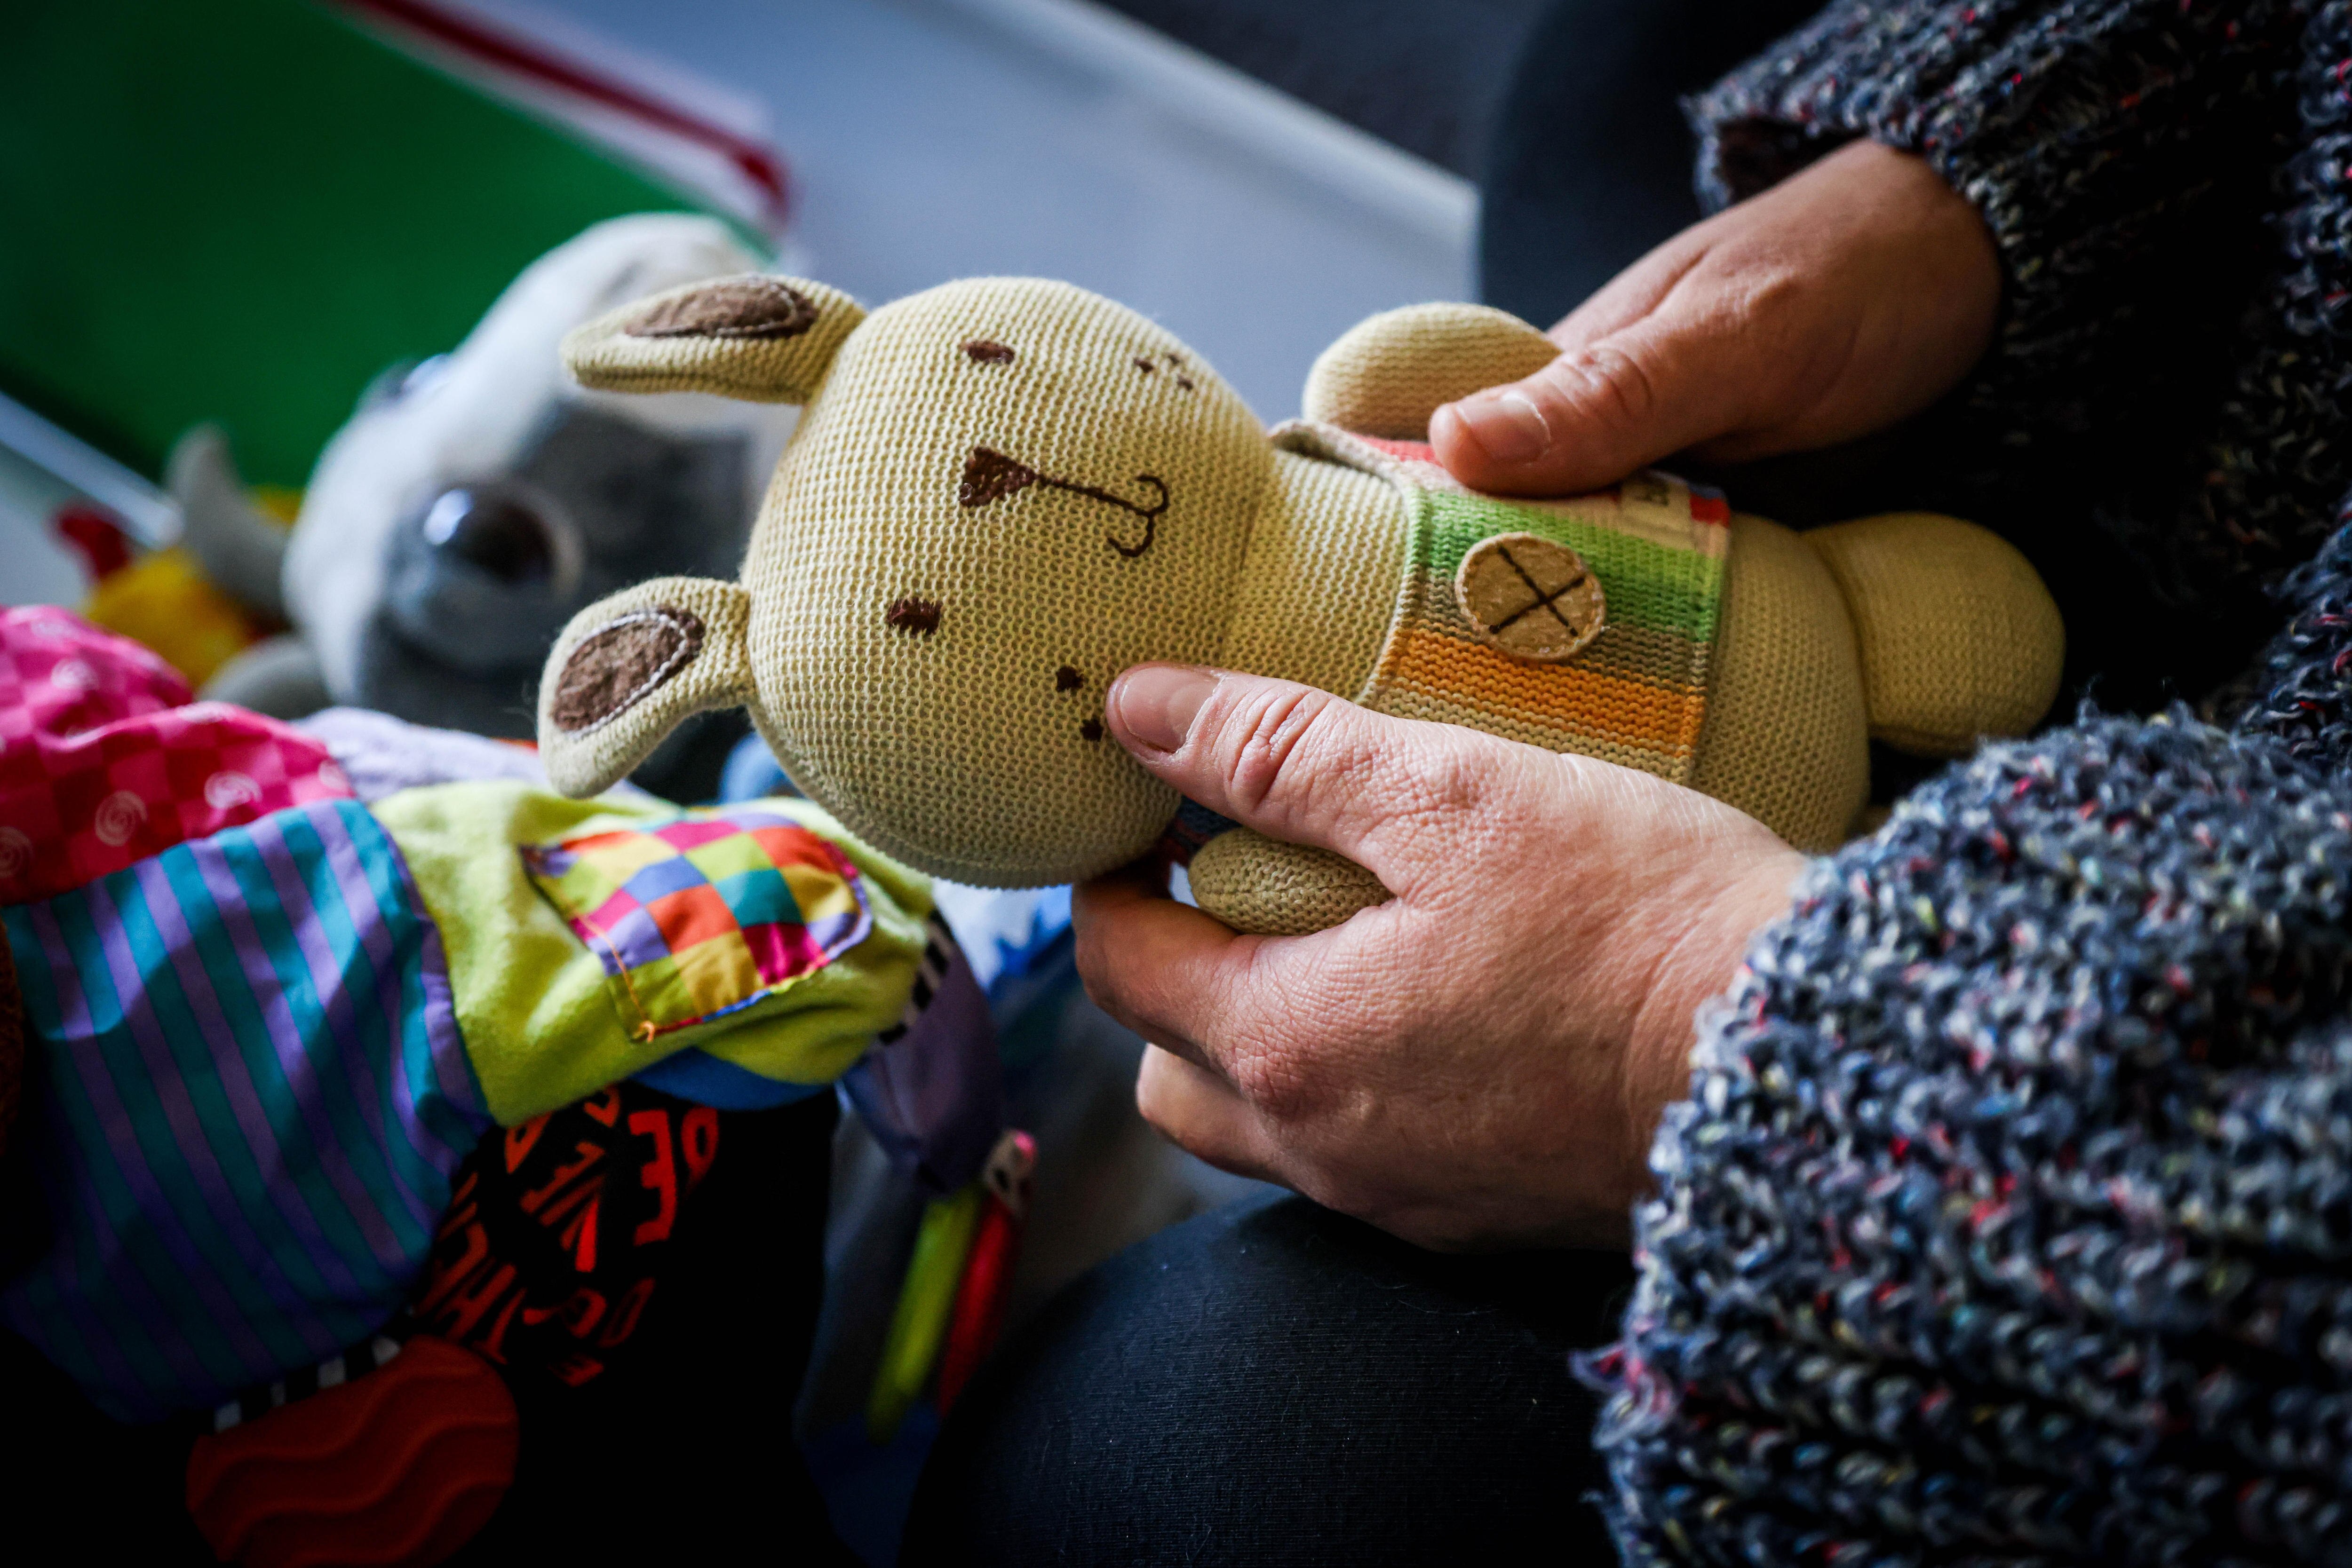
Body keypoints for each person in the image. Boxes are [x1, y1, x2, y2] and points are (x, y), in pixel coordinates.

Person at [908, 0, 2352, 1561]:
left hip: (2108, 1174)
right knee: (1615, 79)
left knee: (1153, 1457)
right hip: (2246, 479)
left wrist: (1700, 1030)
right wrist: (2030, 170)